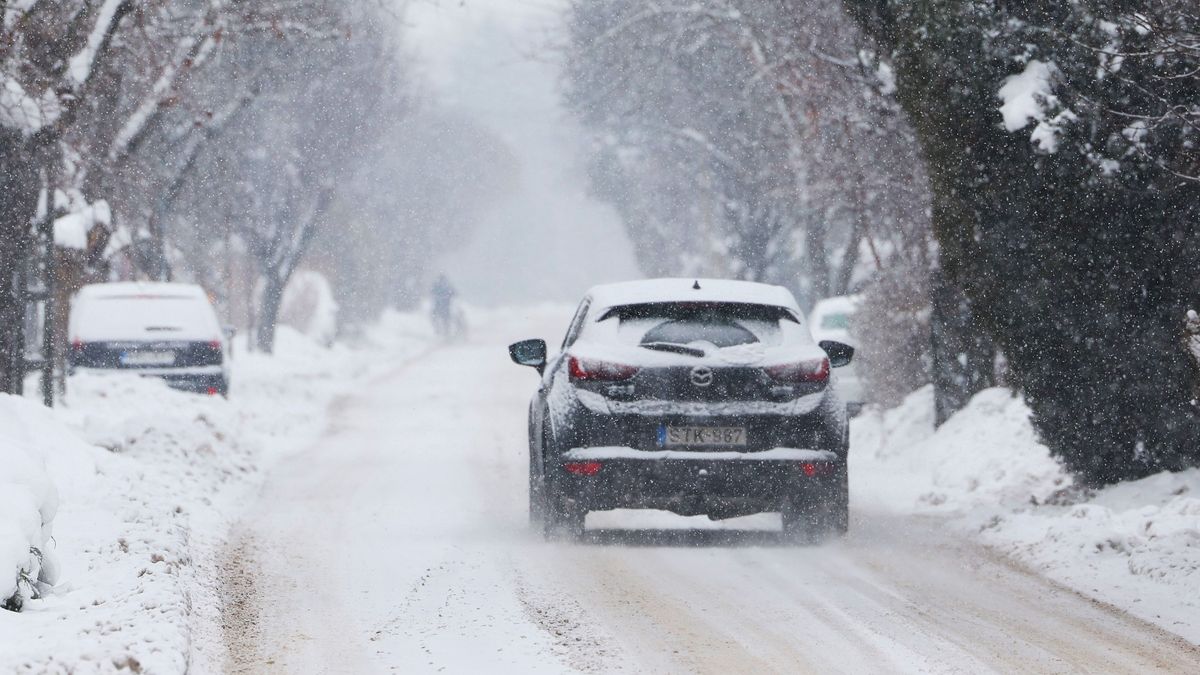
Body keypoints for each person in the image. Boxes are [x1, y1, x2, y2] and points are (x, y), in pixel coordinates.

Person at [431, 274, 457, 339]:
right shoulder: (446, 286)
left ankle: (442, 332)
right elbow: (454, 293)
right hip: (444, 306)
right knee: (444, 319)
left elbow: (431, 292)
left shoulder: (437, 286)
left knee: (437, 318)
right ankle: (443, 332)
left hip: (440, 306)